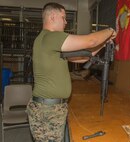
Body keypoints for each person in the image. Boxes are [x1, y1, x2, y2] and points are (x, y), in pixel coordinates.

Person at [26, 2, 116, 142]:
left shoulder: (48, 41)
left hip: (52, 108)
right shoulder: (50, 37)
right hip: (48, 111)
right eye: (63, 17)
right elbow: (91, 41)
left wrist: (104, 43)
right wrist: (110, 30)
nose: (66, 22)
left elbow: (81, 57)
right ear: (53, 17)